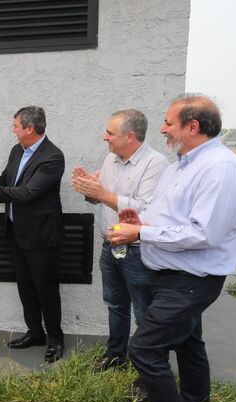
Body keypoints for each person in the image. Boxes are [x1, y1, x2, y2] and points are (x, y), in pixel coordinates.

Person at [109, 94, 236, 402]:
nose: (162, 129)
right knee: (189, 344)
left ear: (193, 126)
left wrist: (141, 235)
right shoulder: (181, 165)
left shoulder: (220, 169)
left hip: (192, 278)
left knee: (144, 349)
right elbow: (167, 215)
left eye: (169, 123)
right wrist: (140, 219)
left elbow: (204, 234)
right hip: (171, 272)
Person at [71, 110, 168, 372]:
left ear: (130, 136)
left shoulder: (155, 164)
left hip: (138, 250)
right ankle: (116, 357)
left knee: (144, 312)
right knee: (115, 305)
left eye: (110, 133)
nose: (105, 138)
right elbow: (101, 199)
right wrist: (90, 190)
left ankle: (148, 368)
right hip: (110, 245)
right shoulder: (111, 159)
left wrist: (103, 193)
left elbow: (146, 209)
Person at [0, 106, 66, 363]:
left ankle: (55, 340)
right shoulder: (17, 151)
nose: (12, 130)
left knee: (46, 290)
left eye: (15, 126)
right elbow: (8, 179)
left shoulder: (53, 157)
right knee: (26, 288)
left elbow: (28, 193)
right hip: (17, 232)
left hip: (42, 237)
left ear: (29, 129)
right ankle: (35, 333)